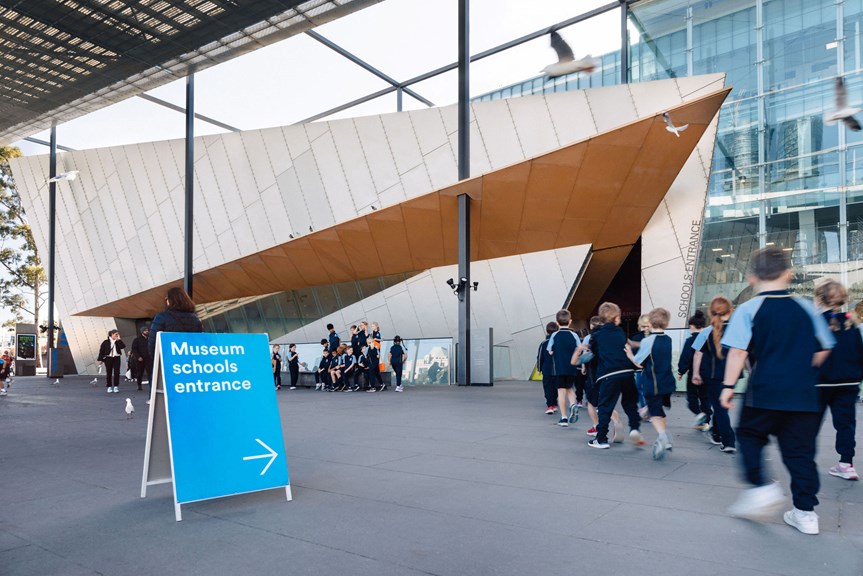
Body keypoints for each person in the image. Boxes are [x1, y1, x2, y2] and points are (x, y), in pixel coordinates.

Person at [722, 247, 834, 535]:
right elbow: (823, 350)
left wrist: (728, 387)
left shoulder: (748, 309)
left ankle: (761, 487)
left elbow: (737, 353)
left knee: (749, 435)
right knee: (800, 453)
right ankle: (806, 513)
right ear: (789, 274)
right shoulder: (808, 307)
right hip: (804, 394)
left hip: (765, 390)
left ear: (751, 278)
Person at [574, 302, 643, 449]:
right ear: (617, 318)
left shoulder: (596, 336)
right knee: (630, 403)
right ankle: (635, 428)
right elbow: (627, 346)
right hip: (627, 372)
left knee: (605, 406)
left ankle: (601, 439)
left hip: (609, 374)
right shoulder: (620, 332)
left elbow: (594, 353)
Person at [814, 280, 861, 481]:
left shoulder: (815, 322)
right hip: (848, 384)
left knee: (809, 423)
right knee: (846, 425)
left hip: (821, 383)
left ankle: (805, 460)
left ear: (819, 299)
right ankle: (846, 464)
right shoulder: (852, 324)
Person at [626, 308, 676, 460]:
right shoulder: (668, 339)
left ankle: (662, 437)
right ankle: (665, 437)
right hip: (667, 381)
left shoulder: (648, 341)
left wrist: (629, 353)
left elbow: (639, 364)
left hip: (653, 383)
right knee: (659, 410)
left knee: (655, 414)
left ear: (651, 322)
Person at [692, 296, 737, 453]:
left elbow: (698, 354)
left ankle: (728, 440)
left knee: (720, 409)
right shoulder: (737, 329)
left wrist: (696, 373)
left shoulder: (706, 331)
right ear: (730, 310)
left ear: (711, 312)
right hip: (732, 375)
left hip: (712, 376)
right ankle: (717, 434)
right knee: (722, 407)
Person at [147, 287, 204, 380]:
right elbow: (198, 342)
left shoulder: (162, 317)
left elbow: (152, 343)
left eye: (166, 299)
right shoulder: (195, 318)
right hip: (189, 363)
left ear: (170, 300)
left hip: (169, 362)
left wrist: (157, 361)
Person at [678, 311, 711, 431]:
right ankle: (706, 422)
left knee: (692, 398)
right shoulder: (709, 338)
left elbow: (686, 357)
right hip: (708, 373)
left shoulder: (690, 340)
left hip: (694, 373)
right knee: (705, 398)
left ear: (692, 326)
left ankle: (699, 414)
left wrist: (681, 371)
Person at [547, 310, 581, 426]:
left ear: (557, 323)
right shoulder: (574, 335)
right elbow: (579, 349)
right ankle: (573, 404)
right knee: (570, 389)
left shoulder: (554, 335)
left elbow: (549, 351)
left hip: (559, 368)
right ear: (570, 321)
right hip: (572, 367)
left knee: (561, 391)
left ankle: (564, 418)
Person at [537, 321, 559, 414]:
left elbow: (540, 357)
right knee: (556, 387)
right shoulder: (559, 342)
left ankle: (550, 405)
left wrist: (539, 368)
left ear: (546, 331)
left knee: (548, 387)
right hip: (558, 370)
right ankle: (554, 403)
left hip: (547, 369)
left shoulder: (543, 343)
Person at [98, 329, 126, 393]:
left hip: (117, 357)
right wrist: (101, 359)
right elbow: (101, 351)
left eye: (117, 334)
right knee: (109, 372)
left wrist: (118, 340)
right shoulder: (106, 342)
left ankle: (116, 386)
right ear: (112, 334)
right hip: (108, 358)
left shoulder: (118, 341)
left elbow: (123, 346)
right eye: (116, 334)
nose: (117, 335)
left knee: (117, 372)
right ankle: (109, 387)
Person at [130, 327, 150, 391]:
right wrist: (138, 357)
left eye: (147, 330)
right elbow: (134, 349)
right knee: (140, 372)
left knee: (150, 372)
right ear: (142, 332)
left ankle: (151, 385)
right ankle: (139, 385)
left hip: (149, 358)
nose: (147, 331)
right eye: (145, 331)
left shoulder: (150, 339)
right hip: (140, 359)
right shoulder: (137, 340)